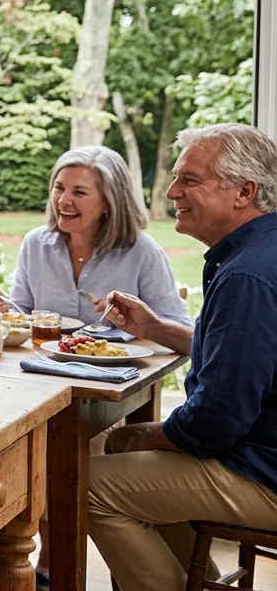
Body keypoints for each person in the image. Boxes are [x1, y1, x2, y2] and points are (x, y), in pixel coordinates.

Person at [86, 124, 277, 591]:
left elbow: (216, 420)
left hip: (264, 472)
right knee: (118, 442)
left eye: (190, 180)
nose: (173, 191)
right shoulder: (260, 253)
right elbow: (246, 358)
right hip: (262, 453)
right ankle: (202, 582)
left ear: (243, 192)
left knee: (87, 487)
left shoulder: (248, 275)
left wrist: (154, 436)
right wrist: (155, 329)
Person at [0, 146, 188, 326]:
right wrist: (5, 308)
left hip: (121, 370)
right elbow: (23, 313)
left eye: (79, 192)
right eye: (59, 188)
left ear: (109, 202)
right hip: (43, 367)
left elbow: (179, 329)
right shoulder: (35, 245)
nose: (63, 201)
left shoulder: (142, 252)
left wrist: (140, 325)